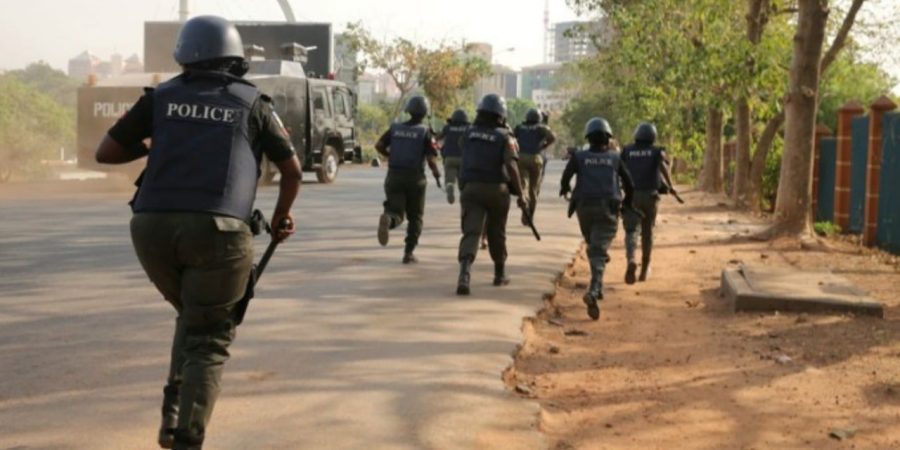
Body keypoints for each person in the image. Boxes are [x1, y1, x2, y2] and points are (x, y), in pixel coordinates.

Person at [94, 16, 302, 449]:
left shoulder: (161, 98)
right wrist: (282, 218)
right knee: (208, 335)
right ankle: (187, 439)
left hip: (150, 227)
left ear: (183, 55)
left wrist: (151, 145)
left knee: (192, 317)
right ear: (236, 59)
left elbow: (107, 152)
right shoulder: (252, 103)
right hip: (220, 230)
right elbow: (292, 169)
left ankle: (171, 422)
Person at [560, 117, 634, 321]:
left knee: (594, 246)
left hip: (584, 208)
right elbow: (629, 184)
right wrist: (628, 203)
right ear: (608, 139)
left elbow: (566, 178)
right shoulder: (615, 158)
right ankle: (593, 291)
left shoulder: (579, 156)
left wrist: (565, 189)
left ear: (588, 137)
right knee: (599, 251)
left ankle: (598, 287)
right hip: (607, 209)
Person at [456, 94, 527, 295]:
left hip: (471, 189)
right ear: (501, 115)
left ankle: (464, 275)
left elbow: (464, 149)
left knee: (471, 232)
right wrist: (521, 194)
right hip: (497, 190)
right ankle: (499, 274)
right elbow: (511, 165)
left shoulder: (469, 132)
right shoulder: (505, 136)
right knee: (497, 232)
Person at [375, 95, 441, 263]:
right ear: (425, 113)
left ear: (408, 110)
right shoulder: (425, 131)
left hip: (394, 176)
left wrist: (390, 156)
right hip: (415, 179)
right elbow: (431, 159)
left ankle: (389, 220)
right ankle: (408, 253)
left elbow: (379, 146)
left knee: (395, 211)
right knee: (415, 217)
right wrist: (437, 175)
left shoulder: (395, 128)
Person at [621, 122, 676, 283]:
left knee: (631, 231)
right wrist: (671, 186)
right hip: (650, 197)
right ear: (653, 136)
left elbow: (619, 169)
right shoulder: (656, 151)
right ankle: (644, 270)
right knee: (647, 233)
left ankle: (631, 259)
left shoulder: (627, 151)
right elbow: (663, 168)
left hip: (631, 196)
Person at [514, 108, 556, 225]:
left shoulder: (519, 127)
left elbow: (512, 137)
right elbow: (552, 137)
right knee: (534, 189)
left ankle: (524, 202)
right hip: (536, 158)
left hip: (521, 158)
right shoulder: (541, 127)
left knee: (524, 185)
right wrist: (543, 146)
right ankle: (529, 216)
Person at [439, 109, 470, 204]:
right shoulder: (469, 128)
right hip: (464, 159)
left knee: (449, 178)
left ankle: (450, 185)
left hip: (449, 157)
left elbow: (439, 137)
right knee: (463, 182)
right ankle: (463, 194)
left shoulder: (447, 127)